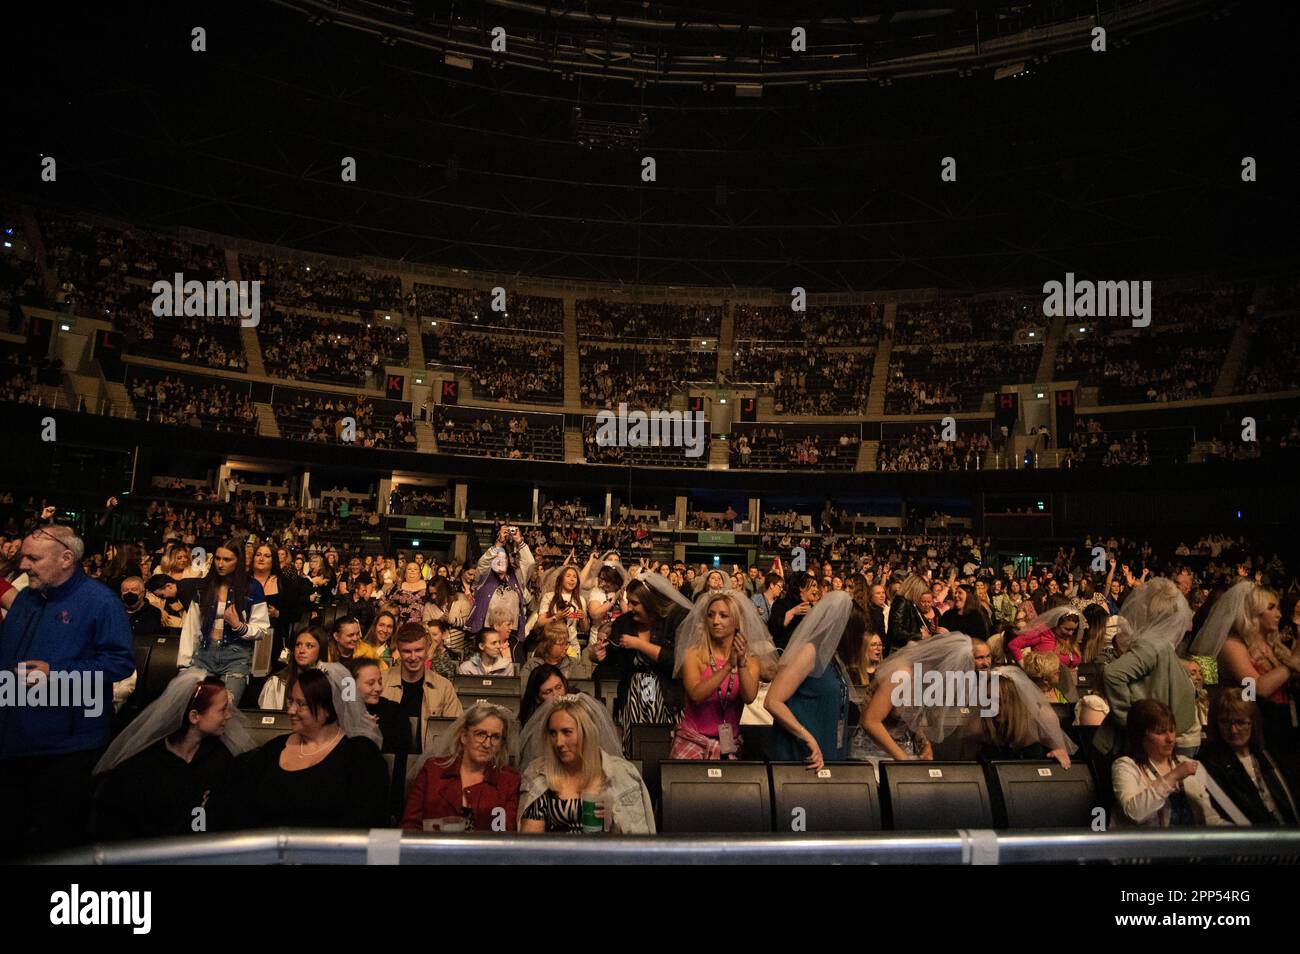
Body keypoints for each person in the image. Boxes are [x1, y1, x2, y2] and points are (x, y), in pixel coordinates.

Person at [0, 524, 136, 857]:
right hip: (12, 741)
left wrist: (57, 675)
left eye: (33, 558)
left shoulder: (101, 602)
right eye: (23, 557)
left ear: (66, 558)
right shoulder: (26, 598)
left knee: (55, 844)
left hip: (65, 749)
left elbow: (120, 664)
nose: (23, 565)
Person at [92, 671, 255, 840]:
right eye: (222, 710)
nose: (228, 716)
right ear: (194, 716)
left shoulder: (221, 758)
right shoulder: (145, 766)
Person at [225, 665, 389, 829]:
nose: (290, 710)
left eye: (300, 704)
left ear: (328, 708)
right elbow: (242, 808)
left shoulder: (360, 756)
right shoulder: (273, 750)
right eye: (291, 701)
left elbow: (365, 820)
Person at [1191, 580, 1297, 763]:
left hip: (1280, 724)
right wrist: (1292, 664)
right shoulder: (1231, 646)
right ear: (1253, 612)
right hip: (1249, 729)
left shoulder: (1272, 644)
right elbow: (1256, 689)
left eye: (1278, 608)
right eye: (1271, 608)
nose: (1279, 614)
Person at [519, 695, 655, 834]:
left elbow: (638, 847)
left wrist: (613, 822)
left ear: (587, 732)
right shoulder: (538, 775)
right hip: (554, 855)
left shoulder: (622, 774)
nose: (558, 742)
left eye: (567, 732)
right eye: (553, 733)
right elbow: (530, 846)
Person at [1096, 579, 1202, 759]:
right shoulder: (1151, 645)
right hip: (1163, 738)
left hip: (1172, 735)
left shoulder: (1156, 643)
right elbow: (1113, 674)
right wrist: (1129, 719)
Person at [591, 575, 689, 753]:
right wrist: (596, 655)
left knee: (665, 747)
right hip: (632, 696)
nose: (629, 608)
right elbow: (610, 662)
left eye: (635, 603)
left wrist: (640, 645)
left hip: (668, 696)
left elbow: (678, 663)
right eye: (629, 602)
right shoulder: (623, 622)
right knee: (635, 748)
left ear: (650, 602)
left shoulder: (675, 621)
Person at [765, 592, 862, 771]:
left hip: (826, 752)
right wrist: (806, 737)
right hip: (802, 756)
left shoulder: (831, 656)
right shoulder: (809, 652)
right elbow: (772, 701)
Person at [670, 590, 772, 760]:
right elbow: (696, 695)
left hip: (728, 745)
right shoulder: (693, 655)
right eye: (711, 615)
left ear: (736, 621)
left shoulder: (750, 661)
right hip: (693, 741)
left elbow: (749, 697)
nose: (716, 621)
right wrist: (727, 667)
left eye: (723, 615)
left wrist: (740, 664)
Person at [178, 538, 270, 705]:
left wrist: (239, 626)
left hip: (236, 658)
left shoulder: (253, 588)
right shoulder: (204, 587)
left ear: (238, 561)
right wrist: (184, 664)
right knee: (195, 707)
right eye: (218, 558)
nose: (220, 564)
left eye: (227, 559)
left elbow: (262, 629)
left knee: (224, 708)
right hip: (204, 654)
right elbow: (191, 628)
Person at [402, 703, 521, 832]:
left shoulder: (509, 781)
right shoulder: (432, 770)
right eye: (480, 734)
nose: (487, 744)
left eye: (495, 737)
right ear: (464, 737)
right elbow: (410, 825)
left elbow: (507, 836)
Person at [1111, 699, 1226, 827]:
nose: (1170, 739)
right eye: (1160, 732)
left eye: (1171, 730)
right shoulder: (1125, 766)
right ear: (1141, 736)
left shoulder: (1187, 762)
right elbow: (1134, 814)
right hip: (1146, 845)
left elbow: (1210, 816)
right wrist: (1173, 776)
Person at [1198, 688, 1298, 826]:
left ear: (1253, 722)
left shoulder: (1269, 754)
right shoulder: (1209, 764)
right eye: (1225, 722)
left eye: (1240, 722)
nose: (1233, 730)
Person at [381, 623, 462, 752]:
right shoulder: (381, 682)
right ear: (398, 651)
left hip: (429, 760)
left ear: (427, 648)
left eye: (418, 650)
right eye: (407, 651)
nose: (413, 657)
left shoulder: (443, 686)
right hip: (386, 757)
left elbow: (456, 730)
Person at [467, 526, 534, 644]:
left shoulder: (518, 579)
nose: (500, 560)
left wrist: (519, 541)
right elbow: (483, 563)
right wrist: (499, 544)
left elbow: (530, 563)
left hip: (511, 634)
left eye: (503, 558)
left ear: (509, 562)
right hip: (486, 631)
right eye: (496, 558)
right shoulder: (483, 578)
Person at [250, 543, 299, 677]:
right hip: (244, 637)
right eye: (258, 555)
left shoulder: (283, 583)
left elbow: (296, 613)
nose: (261, 558)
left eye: (267, 556)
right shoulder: (243, 581)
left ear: (273, 561)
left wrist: (277, 613)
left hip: (272, 638)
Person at [257, 626, 326, 711]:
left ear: (320, 650)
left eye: (309, 646)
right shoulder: (276, 683)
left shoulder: (328, 681)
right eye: (298, 645)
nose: (301, 651)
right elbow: (268, 720)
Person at [520, 620, 592, 683]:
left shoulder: (574, 664)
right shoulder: (532, 666)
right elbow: (525, 693)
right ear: (548, 645)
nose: (567, 647)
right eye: (561, 644)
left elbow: (583, 692)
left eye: (567, 643)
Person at [536, 565, 587, 653]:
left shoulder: (580, 600)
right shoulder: (549, 596)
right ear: (561, 579)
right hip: (551, 646)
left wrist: (583, 618)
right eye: (568, 576)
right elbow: (540, 622)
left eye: (575, 577)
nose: (572, 579)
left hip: (572, 647)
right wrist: (556, 617)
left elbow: (585, 629)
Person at [885, 574, 941, 654]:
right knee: (917, 666)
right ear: (915, 589)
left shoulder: (911, 603)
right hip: (900, 652)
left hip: (913, 651)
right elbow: (896, 631)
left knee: (919, 666)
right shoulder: (901, 602)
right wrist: (920, 635)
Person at [767, 572, 821, 651]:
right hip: (784, 653)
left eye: (817, 586)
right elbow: (773, 629)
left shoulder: (812, 608)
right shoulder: (781, 604)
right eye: (813, 586)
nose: (816, 589)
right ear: (801, 588)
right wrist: (792, 612)